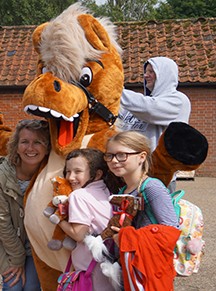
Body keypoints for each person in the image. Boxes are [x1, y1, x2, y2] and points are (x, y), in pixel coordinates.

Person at [105, 131, 180, 291]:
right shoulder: (124, 189)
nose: (114, 161)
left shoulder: (152, 187)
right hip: (128, 266)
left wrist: (126, 238)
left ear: (141, 157)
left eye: (122, 155)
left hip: (149, 270)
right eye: (110, 155)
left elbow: (172, 231)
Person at [0, 119, 48, 291]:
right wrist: (17, 259)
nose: (30, 148)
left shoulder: (51, 174)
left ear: (47, 146)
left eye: (38, 142)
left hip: (37, 247)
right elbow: (2, 223)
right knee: (13, 286)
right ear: (16, 145)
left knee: (31, 287)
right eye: (25, 142)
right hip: (9, 244)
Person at [117, 56, 191, 192]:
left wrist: (114, 91)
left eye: (151, 71)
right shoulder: (141, 103)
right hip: (128, 176)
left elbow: (149, 109)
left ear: (164, 74)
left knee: (156, 214)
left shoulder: (179, 101)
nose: (145, 75)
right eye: (146, 71)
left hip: (158, 178)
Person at [57, 148, 117, 291]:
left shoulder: (78, 196)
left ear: (97, 174)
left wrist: (58, 219)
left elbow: (79, 234)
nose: (70, 177)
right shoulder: (108, 192)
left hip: (90, 275)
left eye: (78, 171)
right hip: (109, 271)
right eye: (68, 171)